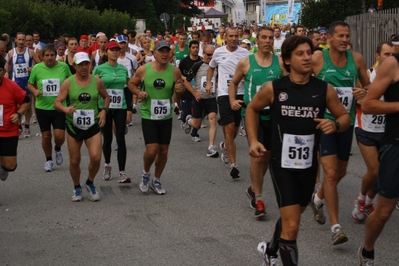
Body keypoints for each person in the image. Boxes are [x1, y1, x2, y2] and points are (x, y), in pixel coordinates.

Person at [247, 36, 350, 266]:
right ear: (286, 60)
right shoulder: (274, 89)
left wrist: (334, 124)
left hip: (308, 165)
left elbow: (344, 116)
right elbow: (252, 109)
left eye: (308, 53)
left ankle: (270, 249)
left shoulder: (324, 89)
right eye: (300, 54)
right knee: (292, 226)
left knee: (292, 217)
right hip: (281, 163)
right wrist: (253, 140)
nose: (306, 57)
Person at [309, 21, 369, 245]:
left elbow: (370, 86)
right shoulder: (317, 59)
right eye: (340, 36)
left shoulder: (358, 59)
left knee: (341, 171)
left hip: (346, 123)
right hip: (323, 123)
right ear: (329, 39)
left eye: (347, 36)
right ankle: (336, 227)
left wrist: (364, 92)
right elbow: (300, 79)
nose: (345, 40)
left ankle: (317, 198)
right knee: (331, 173)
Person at [229, 26, 286, 219]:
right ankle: (259, 198)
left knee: (267, 157)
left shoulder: (280, 63)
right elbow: (234, 82)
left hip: (275, 115)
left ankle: (254, 187)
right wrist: (232, 100)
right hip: (252, 113)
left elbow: (288, 85)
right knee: (258, 156)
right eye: (264, 38)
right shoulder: (246, 62)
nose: (268, 41)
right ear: (257, 40)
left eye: (271, 38)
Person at [358, 46, 399, 266]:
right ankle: (367, 250)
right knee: (384, 212)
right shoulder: (393, 64)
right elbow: (368, 104)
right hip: (395, 144)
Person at [128, 41, 184, 195]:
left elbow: (179, 90)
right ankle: (145, 173)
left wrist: (180, 90)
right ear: (154, 53)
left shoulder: (175, 71)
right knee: (152, 150)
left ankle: (156, 179)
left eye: (167, 51)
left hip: (166, 115)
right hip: (149, 114)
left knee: (164, 151)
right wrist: (138, 93)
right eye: (161, 51)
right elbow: (131, 84)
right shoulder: (143, 70)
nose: (165, 54)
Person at [54, 52, 109, 201]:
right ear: (75, 66)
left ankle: (90, 182)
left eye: (86, 64)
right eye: (81, 65)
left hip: (92, 126)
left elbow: (106, 97)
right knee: (74, 160)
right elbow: (57, 102)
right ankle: (77, 186)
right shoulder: (68, 82)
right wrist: (65, 109)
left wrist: (104, 111)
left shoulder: (96, 81)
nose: (84, 67)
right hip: (74, 126)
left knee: (96, 158)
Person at [352, 41, 395, 222]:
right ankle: (361, 199)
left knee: (383, 171)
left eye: (392, 54)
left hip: (386, 131)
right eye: (386, 54)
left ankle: (368, 201)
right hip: (366, 128)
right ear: (377, 56)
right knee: (375, 169)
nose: (389, 58)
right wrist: (364, 100)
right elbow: (358, 100)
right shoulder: (368, 75)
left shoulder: (395, 76)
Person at [206, 27, 250, 179]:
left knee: (235, 129)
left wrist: (247, 77)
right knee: (230, 128)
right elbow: (211, 67)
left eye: (235, 36)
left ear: (239, 37)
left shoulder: (246, 54)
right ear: (225, 37)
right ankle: (234, 165)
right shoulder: (218, 52)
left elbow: (250, 70)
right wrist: (209, 83)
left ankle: (225, 145)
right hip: (224, 93)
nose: (233, 38)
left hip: (241, 93)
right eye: (230, 36)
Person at [27, 44, 72, 172]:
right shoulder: (37, 68)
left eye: (52, 55)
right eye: (47, 55)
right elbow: (29, 84)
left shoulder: (63, 67)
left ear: (56, 55)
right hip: (42, 107)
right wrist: (35, 91)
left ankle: (57, 148)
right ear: (42, 56)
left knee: (59, 136)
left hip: (59, 107)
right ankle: (48, 160)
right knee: (46, 136)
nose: (50, 58)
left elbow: (71, 81)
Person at [93, 41, 130, 182]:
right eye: (112, 50)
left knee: (121, 138)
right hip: (105, 107)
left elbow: (128, 87)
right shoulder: (99, 69)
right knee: (107, 138)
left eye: (117, 50)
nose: (115, 52)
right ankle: (107, 165)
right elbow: (93, 88)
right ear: (106, 52)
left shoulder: (123, 69)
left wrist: (130, 108)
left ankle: (122, 171)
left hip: (120, 106)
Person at [183, 44, 218, 155]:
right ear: (203, 54)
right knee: (197, 124)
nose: (210, 57)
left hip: (211, 98)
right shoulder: (197, 65)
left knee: (213, 120)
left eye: (213, 55)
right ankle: (188, 119)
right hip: (199, 99)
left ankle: (211, 147)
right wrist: (195, 93)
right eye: (208, 55)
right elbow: (186, 82)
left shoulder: (217, 66)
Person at [0, 55, 31, 181]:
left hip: (8, 131)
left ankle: (3, 168)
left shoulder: (11, 86)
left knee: (10, 165)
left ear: (3, 71)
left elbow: (26, 101)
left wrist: (18, 114)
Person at [6, 32, 41, 137]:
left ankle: (27, 126)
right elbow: (8, 64)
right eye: (19, 40)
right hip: (15, 83)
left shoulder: (30, 52)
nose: (21, 42)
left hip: (27, 83)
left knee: (28, 105)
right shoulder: (11, 53)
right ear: (15, 40)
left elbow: (40, 65)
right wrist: (7, 73)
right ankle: (19, 126)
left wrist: (33, 69)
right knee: (16, 105)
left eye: (23, 40)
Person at [178, 40, 202, 141]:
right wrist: (185, 79)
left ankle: (194, 133)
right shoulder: (184, 61)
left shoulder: (201, 61)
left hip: (198, 90)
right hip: (187, 90)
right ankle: (185, 120)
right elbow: (178, 73)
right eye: (193, 47)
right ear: (189, 49)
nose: (195, 49)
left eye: (197, 47)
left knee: (198, 114)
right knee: (186, 113)